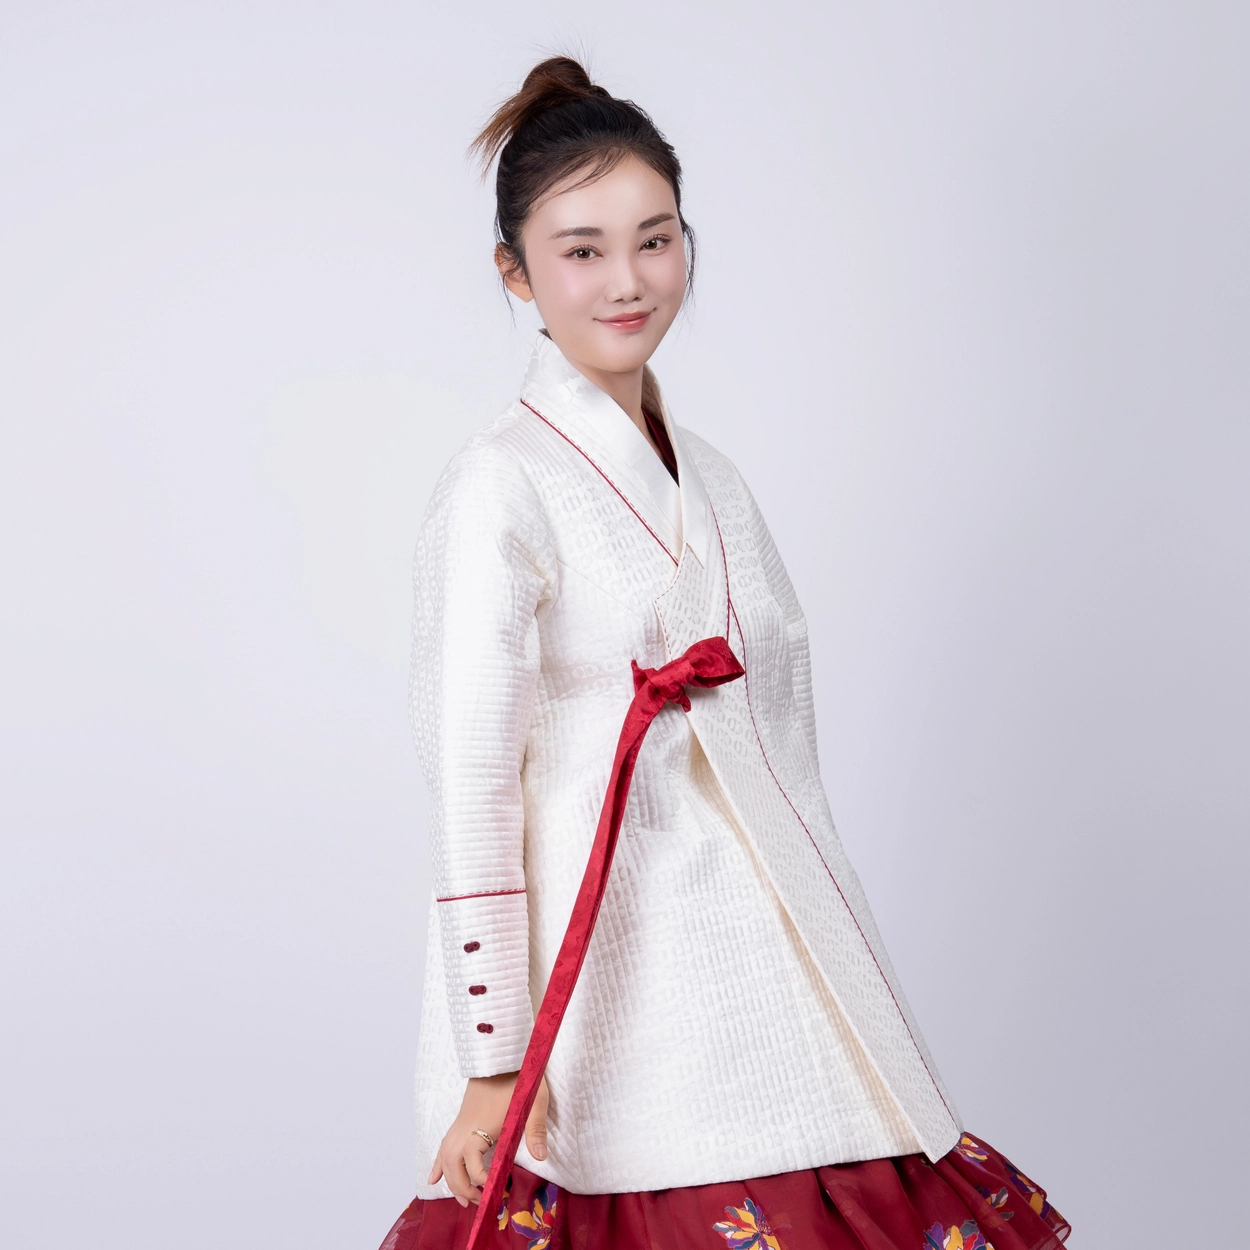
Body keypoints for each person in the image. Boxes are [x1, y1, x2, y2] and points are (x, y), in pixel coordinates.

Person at [379, 57, 1069, 1250]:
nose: (626, 279)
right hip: (608, 980)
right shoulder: (498, 484)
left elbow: (781, 750)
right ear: (515, 272)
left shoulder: (714, 478)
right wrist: (491, 1054)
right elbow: (471, 783)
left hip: (763, 959)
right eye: (582, 250)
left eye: (654, 240)